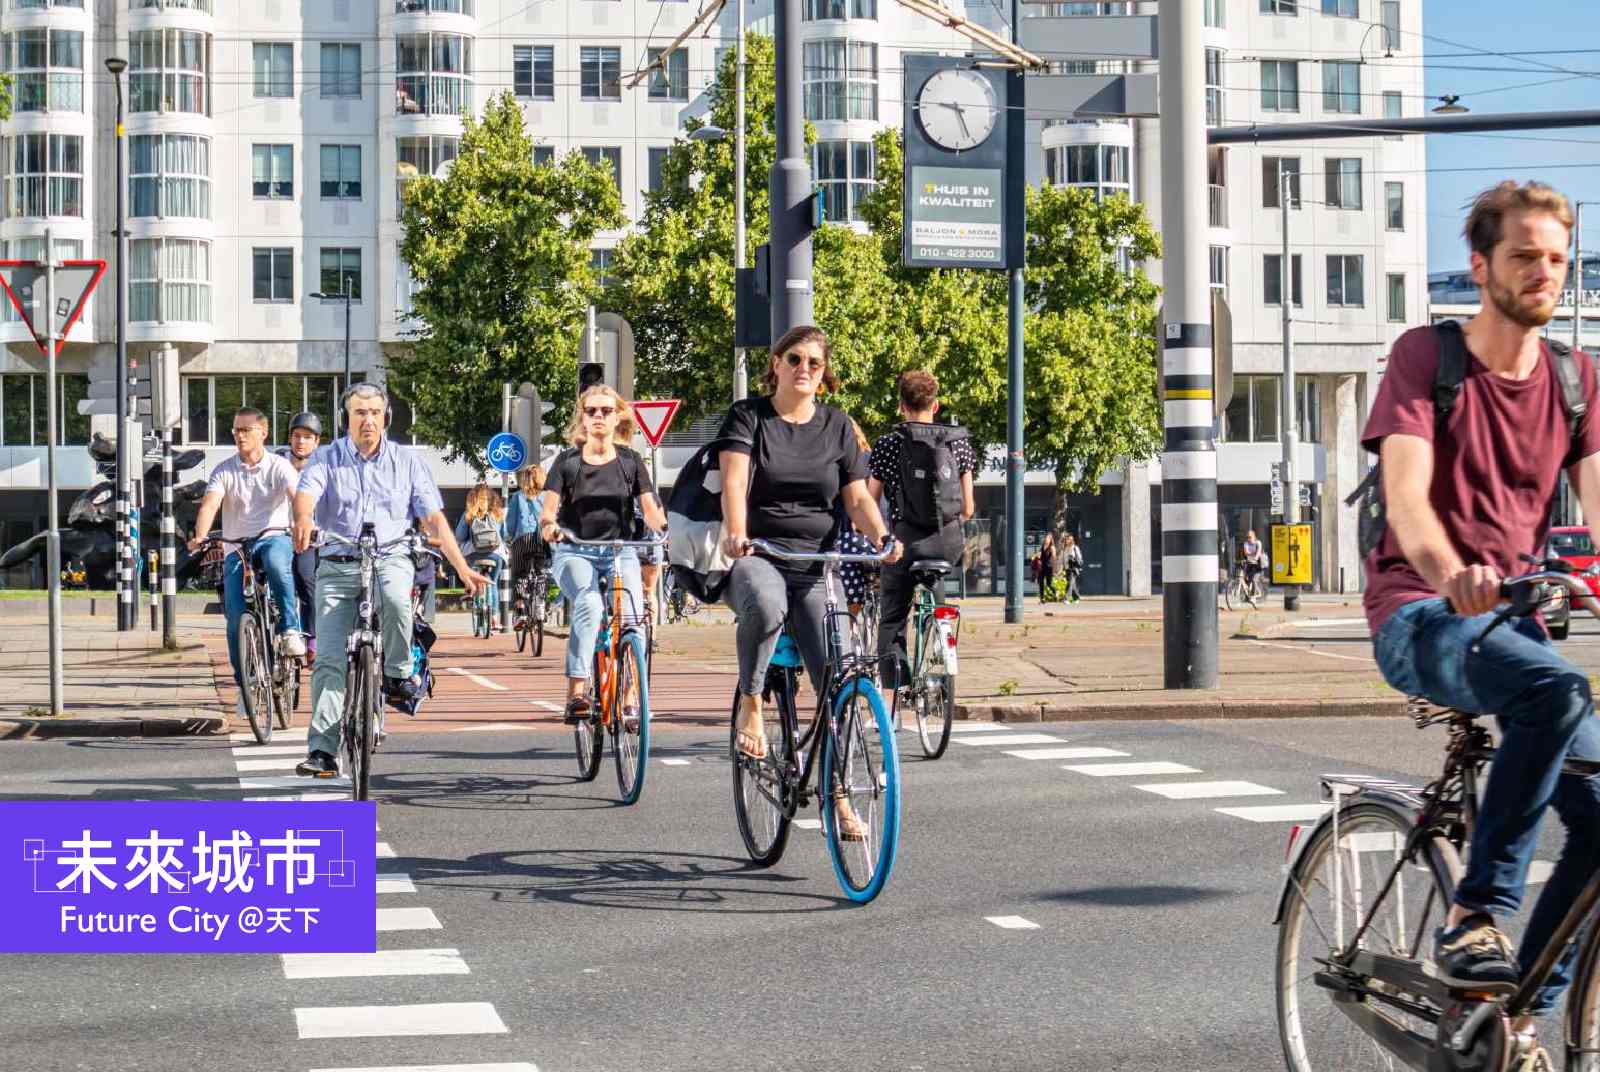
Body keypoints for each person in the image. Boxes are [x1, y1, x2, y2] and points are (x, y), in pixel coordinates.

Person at [1363, 180, 1600, 1065]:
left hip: (1515, 632)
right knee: (1555, 689)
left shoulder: (1578, 380)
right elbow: (1409, 502)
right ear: (1480, 266)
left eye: (1554, 257)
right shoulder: (1428, 358)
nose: (1544, 272)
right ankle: (1475, 915)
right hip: (1420, 613)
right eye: (1523, 257)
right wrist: (1447, 569)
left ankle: (1517, 1020)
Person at [719, 326, 900, 839]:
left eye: (814, 364)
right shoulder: (749, 418)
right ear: (775, 364)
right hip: (760, 554)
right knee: (767, 604)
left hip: (816, 564)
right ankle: (752, 705)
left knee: (838, 679)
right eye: (794, 358)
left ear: (824, 375)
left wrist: (883, 537)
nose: (804, 369)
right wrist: (737, 534)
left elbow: (858, 499)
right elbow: (734, 481)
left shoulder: (838, 426)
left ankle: (838, 796)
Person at [290, 383, 488, 776]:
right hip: (338, 560)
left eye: (375, 412)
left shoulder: (407, 461)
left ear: (386, 417)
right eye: (360, 412)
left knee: (397, 600)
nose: (368, 420)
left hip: (391, 556)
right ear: (346, 418)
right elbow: (306, 495)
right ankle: (323, 751)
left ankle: (397, 673)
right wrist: (303, 519)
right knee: (329, 659)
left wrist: (462, 567)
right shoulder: (326, 459)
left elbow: (432, 518)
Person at [539, 384, 667, 722]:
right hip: (575, 551)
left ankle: (629, 699)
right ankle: (577, 693)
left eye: (606, 411)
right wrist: (550, 526)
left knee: (634, 619)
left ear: (617, 417)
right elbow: (548, 512)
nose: (598, 416)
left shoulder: (631, 462)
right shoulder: (567, 463)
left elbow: (650, 510)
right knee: (590, 602)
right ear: (582, 417)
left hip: (618, 550)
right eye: (592, 411)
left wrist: (667, 530)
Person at [187, 407, 305, 719]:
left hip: (273, 535)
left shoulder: (279, 466)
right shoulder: (225, 469)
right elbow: (211, 502)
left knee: (279, 565)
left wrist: (304, 522)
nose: (239, 435)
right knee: (234, 617)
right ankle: (245, 686)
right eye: (236, 430)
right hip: (235, 546)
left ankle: (291, 631)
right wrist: (200, 536)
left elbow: (296, 495)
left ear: (262, 433)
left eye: (246, 430)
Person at [866, 370, 976, 687]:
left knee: (892, 617)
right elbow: (968, 507)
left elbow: (870, 500)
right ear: (936, 405)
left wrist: (876, 537)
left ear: (901, 406)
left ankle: (896, 688)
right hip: (948, 543)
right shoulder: (960, 444)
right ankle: (941, 633)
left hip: (904, 544)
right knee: (938, 595)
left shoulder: (889, 444)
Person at [277, 411, 323, 661]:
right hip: (278, 534)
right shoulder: (277, 462)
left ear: (317, 441)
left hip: (309, 537)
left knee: (307, 582)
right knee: (274, 583)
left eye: (307, 437)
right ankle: (277, 632)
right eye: (297, 436)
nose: (301, 442)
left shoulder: (322, 467)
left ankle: (312, 638)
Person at [455, 482, 509, 631]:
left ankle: (473, 590)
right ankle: (494, 619)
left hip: (473, 554)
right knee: (493, 583)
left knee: (473, 575)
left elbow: (459, 536)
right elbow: (504, 536)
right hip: (495, 554)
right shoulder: (498, 513)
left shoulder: (468, 514)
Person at [505, 464, 549, 628]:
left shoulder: (517, 496)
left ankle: (521, 610)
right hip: (542, 540)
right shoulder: (547, 497)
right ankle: (540, 605)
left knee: (518, 573)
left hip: (522, 540)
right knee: (541, 572)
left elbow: (510, 524)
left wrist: (508, 537)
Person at [1061, 534, 1084, 603]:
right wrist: (1063, 568)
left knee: (1070, 583)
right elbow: (1064, 559)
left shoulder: (1075, 548)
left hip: (1073, 568)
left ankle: (1066, 598)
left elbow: (1079, 558)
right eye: (1066, 539)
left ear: (1071, 540)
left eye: (1068, 539)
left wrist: (1073, 560)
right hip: (1067, 568)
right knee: (1072, 583)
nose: (1067, 541)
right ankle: (1076, 598)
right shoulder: (1065, 548)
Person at [1038, 533, 1058, 604]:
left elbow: (1054, 558)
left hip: (1049, 567)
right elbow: (1040, 555)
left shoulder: (1052, 547)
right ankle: (1042, 598)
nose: (1046, 539)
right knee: (1041, 582)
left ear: (1050, 540)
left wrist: (1055, 569)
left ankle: (1055, 592)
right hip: (1042, 567)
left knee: (1049, 584)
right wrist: (1037, 557)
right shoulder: (1042, 546)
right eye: (1046, 538)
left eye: (1048, 538)